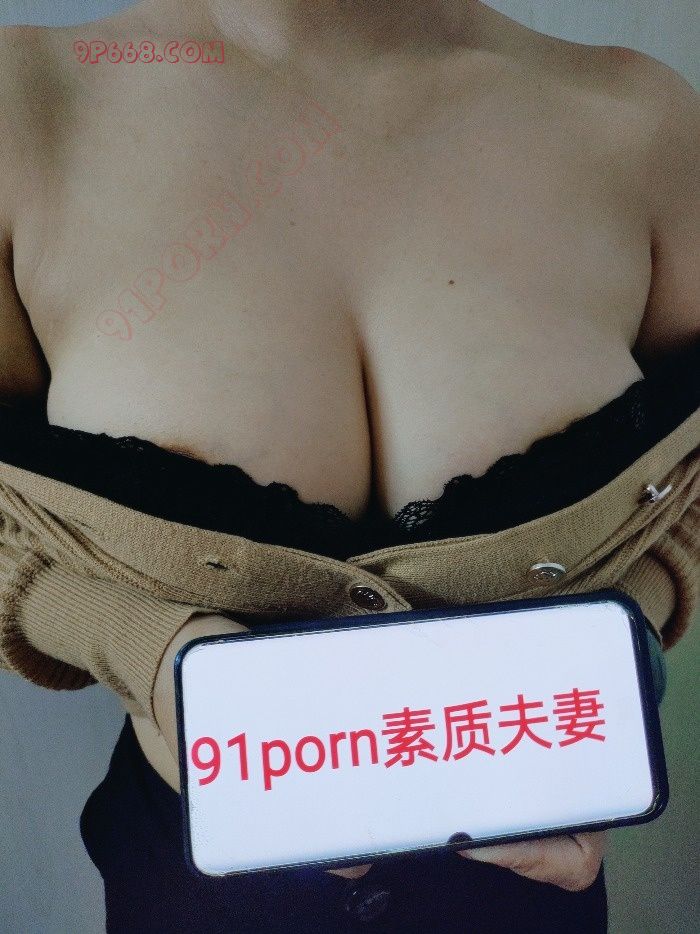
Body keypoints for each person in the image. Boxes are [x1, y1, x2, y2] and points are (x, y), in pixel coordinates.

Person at [0, 1, 697, 930]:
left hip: (533, 895)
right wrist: (154, 653)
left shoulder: (642, 123)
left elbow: (689, 494)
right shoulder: (23, 108)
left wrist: (612, 679)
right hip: (193, 889)